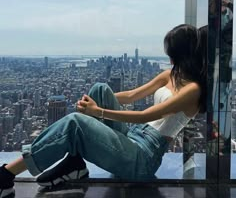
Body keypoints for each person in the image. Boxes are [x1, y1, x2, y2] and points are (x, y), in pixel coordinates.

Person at [0, 24, 207, 198]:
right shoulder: (171, 75)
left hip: (143, 158)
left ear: (183, 54)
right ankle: (74, 162)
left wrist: (97, 111)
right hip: (133, 137)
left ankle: (7, 175)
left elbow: (147, 115)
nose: (169, 59)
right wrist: (94, 103)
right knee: (100, 88)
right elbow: (131, 95)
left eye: (172, 53)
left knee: (75, 123)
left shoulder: (193, 90)